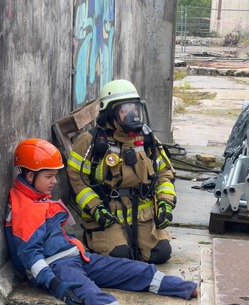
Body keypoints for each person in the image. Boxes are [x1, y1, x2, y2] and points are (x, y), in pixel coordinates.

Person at [5, 138, 198, 305]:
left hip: (77, 257)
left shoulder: (34, 197)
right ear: (30, 176)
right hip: (60, 268)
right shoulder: (24, 210)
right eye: (49, 176)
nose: (55, 182)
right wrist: (55, 284)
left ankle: (193, 290)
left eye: (55, 176)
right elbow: (31, 258)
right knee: (97, 299)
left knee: (137, 270)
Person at [67, 79, 176, 264]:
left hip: (142, 214)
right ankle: (96, 238)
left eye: (134, 108)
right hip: (108, 215)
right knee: (120, 256)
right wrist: (95, 208)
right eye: (124, 110)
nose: (132, 114)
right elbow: (77, 179)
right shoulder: (90, 142)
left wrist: (165, 203)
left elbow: (164, 172)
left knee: (160, 253)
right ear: (109, 113)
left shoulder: (148, 139)